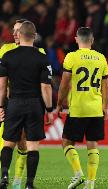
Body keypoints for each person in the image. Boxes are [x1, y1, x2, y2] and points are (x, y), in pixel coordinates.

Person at [0, 21, 53, 189]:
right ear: (34, 36)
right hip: (34, 104)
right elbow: (45, 87)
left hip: (13, 103)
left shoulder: (8, 56)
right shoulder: (42, 57)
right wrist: (49, 109)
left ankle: (4, 176)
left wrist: (1, 106)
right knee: (32, 146)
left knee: (8, 142)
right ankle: (29, 183)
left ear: (20, 34)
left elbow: (2, 86)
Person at [55, 27, 108, 189]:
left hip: (78, 108)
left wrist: (59, 104)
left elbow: (64, 84)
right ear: (92, 40)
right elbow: (105, 85)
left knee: (66, 142)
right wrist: (105, 106)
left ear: (76, 39)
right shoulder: (101, 58)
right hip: (95, 108)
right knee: (92, 144)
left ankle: (78, 173)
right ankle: (91, 183)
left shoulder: (71, 57)